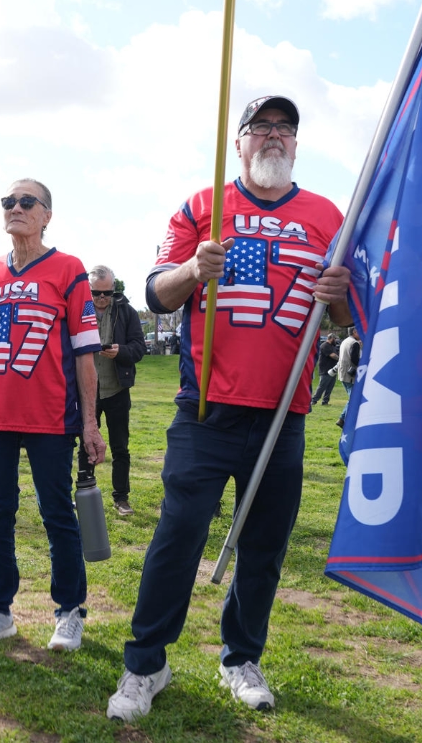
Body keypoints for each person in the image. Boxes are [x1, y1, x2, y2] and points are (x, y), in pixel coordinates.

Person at [107, 96, 351, 720]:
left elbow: (349, 318)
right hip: (206, 408)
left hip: (284, 412)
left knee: (265, 545)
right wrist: (193, 267)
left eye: (284, 129)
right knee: (178, 535)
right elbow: (156, 295)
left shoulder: (328, 215)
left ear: (296, 145)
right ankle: (146, 664)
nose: (273, 137)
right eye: (260, 128)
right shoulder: (202, 205)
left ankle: (241, 655)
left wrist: (339, 296)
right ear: (238, 142)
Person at [0, 178, 107, 653]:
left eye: (26, 201)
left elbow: (85, 353)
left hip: (49, 414)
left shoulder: (68, 269)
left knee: (57, 513)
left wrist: (88, 423)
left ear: (46, 215)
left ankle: (69, 611)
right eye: (8, 201)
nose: (15, 207)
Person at [87, 264, 147, 516]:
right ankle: (84, 491)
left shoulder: (127, 312)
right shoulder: (78, 310)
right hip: (87, 390)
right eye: (96, 293)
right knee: (85, 444)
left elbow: (139, 348)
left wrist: (120, 351)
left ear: (114, 290)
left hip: (117, 390)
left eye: (107, 293)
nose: (102, 298)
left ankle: (121, 498)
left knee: (120, 446)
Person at [334, 327, 362, 428]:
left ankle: (343, 419)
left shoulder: (345, 341)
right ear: (354, 332)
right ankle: (343, 420)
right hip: (351, 375)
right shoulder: (354, 343)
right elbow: (355, 359)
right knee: (354, 399)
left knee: (352, 398)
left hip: (343, 374)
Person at [310, 333, 339, 406]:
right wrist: (341, 359)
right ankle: (314, 400)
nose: (336, 341)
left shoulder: (332, 346)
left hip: (333, 370)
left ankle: (325, 401)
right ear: (331, 338)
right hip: (325, 369)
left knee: (330, 387)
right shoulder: (325, 346)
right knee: (322, 386)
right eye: (335, 339)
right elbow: (333, 355)